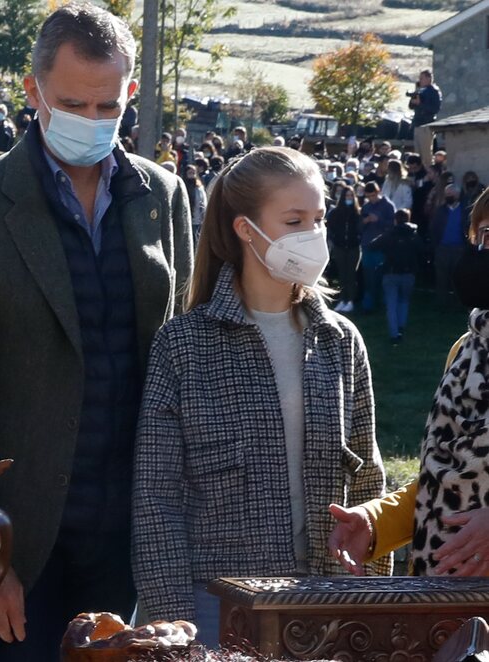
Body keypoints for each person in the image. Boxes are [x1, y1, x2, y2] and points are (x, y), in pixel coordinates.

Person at [0, 5, 192, 659]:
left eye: (107, 106)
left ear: (129, 92)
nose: (92, 122)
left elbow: (175, 353)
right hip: (23, 544)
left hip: (128, 528)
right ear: (33, 91)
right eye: (73, 103)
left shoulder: (164, 197)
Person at [133, 147, 390, 639]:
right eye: (294, 220)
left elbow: (367, 481)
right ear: (245, 229)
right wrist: (172, 621)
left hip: (327, 599)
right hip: (215, 601)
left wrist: (373, 610)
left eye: (318, 219)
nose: (313, 236)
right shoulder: (184, 345)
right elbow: (156, 498)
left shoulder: (340, 341)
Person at [328, 203, 489, 577]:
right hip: (444, 605)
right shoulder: (466, 352)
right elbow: (445, 481)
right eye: (485, 236)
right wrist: (375, 521)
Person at [371, 209, 422, 344]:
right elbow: (423, 250)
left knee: (391, 304)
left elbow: (373, 245)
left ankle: (394, 334)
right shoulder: (413, 235)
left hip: (390, 273)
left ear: (395, 220)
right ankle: (401, 326)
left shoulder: (390, 234)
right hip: (408, 273)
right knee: (404, 301)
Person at [359, 182, 395, 312]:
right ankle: (368, 305)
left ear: (378, 192)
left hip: (382, 246)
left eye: (373, 195)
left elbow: (392, 226)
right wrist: (365, 221)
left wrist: (378, 220)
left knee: (382, 276)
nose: (371, 199)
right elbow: (359, 227)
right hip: (367, 245)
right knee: (368, 277)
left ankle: (383, 303)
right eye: (368, 196)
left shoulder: (388, 206)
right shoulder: (366, 207)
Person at [431, 183, 469, 304]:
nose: (448, 196)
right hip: (442, 249)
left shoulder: (465, 210)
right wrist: (435, 245)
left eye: (450, 194)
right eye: (446, 194)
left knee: (458, 277)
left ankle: (458, 303)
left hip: (459, 248)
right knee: (441, 278)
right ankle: (442, 303)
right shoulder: (440, 210)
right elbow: (433, 228)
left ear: (457, 195)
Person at [327, 184, 362, 314]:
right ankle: (343, 299)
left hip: (353, 247)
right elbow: (330, 228)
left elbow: (360, 229)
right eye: (347, 195)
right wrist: (335, 240)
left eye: (351, 196)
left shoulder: (357, 212)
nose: (349, 198)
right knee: (342, 274)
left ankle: (350, 300)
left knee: (351, 274)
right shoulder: (335, 213)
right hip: (340, 246)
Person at [411, 70, 442, 166]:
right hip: (417, 124)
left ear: (429, 78)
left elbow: (434, 109)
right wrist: (413, 100)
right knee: (417, 154)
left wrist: (421, 104)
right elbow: (412, 106)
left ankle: (428, 172)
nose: (420, 81)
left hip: (426, 125)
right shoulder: (420, 90)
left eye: (422, 78)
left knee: (426, 154)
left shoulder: (434, 91)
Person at [184, 163, 206, 245]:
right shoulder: (183, 187)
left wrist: (203, 217)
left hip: (197, 220)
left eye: (193, 173)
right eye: (190, 173)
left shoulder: (199, 188)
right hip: (186, 220)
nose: (192, 175)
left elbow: (203, 202)